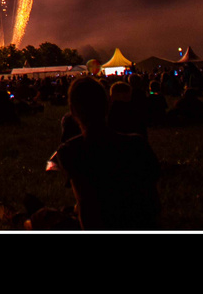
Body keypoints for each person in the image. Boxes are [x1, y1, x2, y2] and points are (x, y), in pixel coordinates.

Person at [46, 77, 160, 229]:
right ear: (107, 106)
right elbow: (153, 200)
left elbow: (86, 209)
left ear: (73, 111)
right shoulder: (137, 144)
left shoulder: (70, 151)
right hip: (142, 225)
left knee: (44, 217)